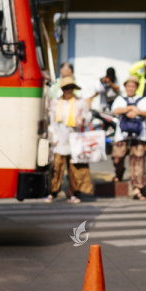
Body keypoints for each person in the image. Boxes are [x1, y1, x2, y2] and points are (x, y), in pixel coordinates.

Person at [46, 75, 94, 203]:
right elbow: (52, 122)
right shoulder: (56, 102)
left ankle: (73, 193)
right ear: (62, 89)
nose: (68, 90)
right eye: (66, 88)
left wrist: (82, 119)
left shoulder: (80, 102)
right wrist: (53, 136)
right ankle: (52, 192)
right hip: (59, 138)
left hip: (75, 138)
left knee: (75, 168)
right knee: (56, 166)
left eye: (70, 87)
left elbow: (87, 117)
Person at [111, 76, 146, 200]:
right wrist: (129, 109)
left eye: (133, 86)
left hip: (139, 135)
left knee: (138, 162)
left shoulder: (143, 100)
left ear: (136, 87)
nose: (130, 88)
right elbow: (115, 110)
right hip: (121, 136)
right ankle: (119, 172)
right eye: (128, 86)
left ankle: (137, 189)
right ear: (125, 87)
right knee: (117, 157)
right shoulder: (120, 99)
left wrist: (138, 112)